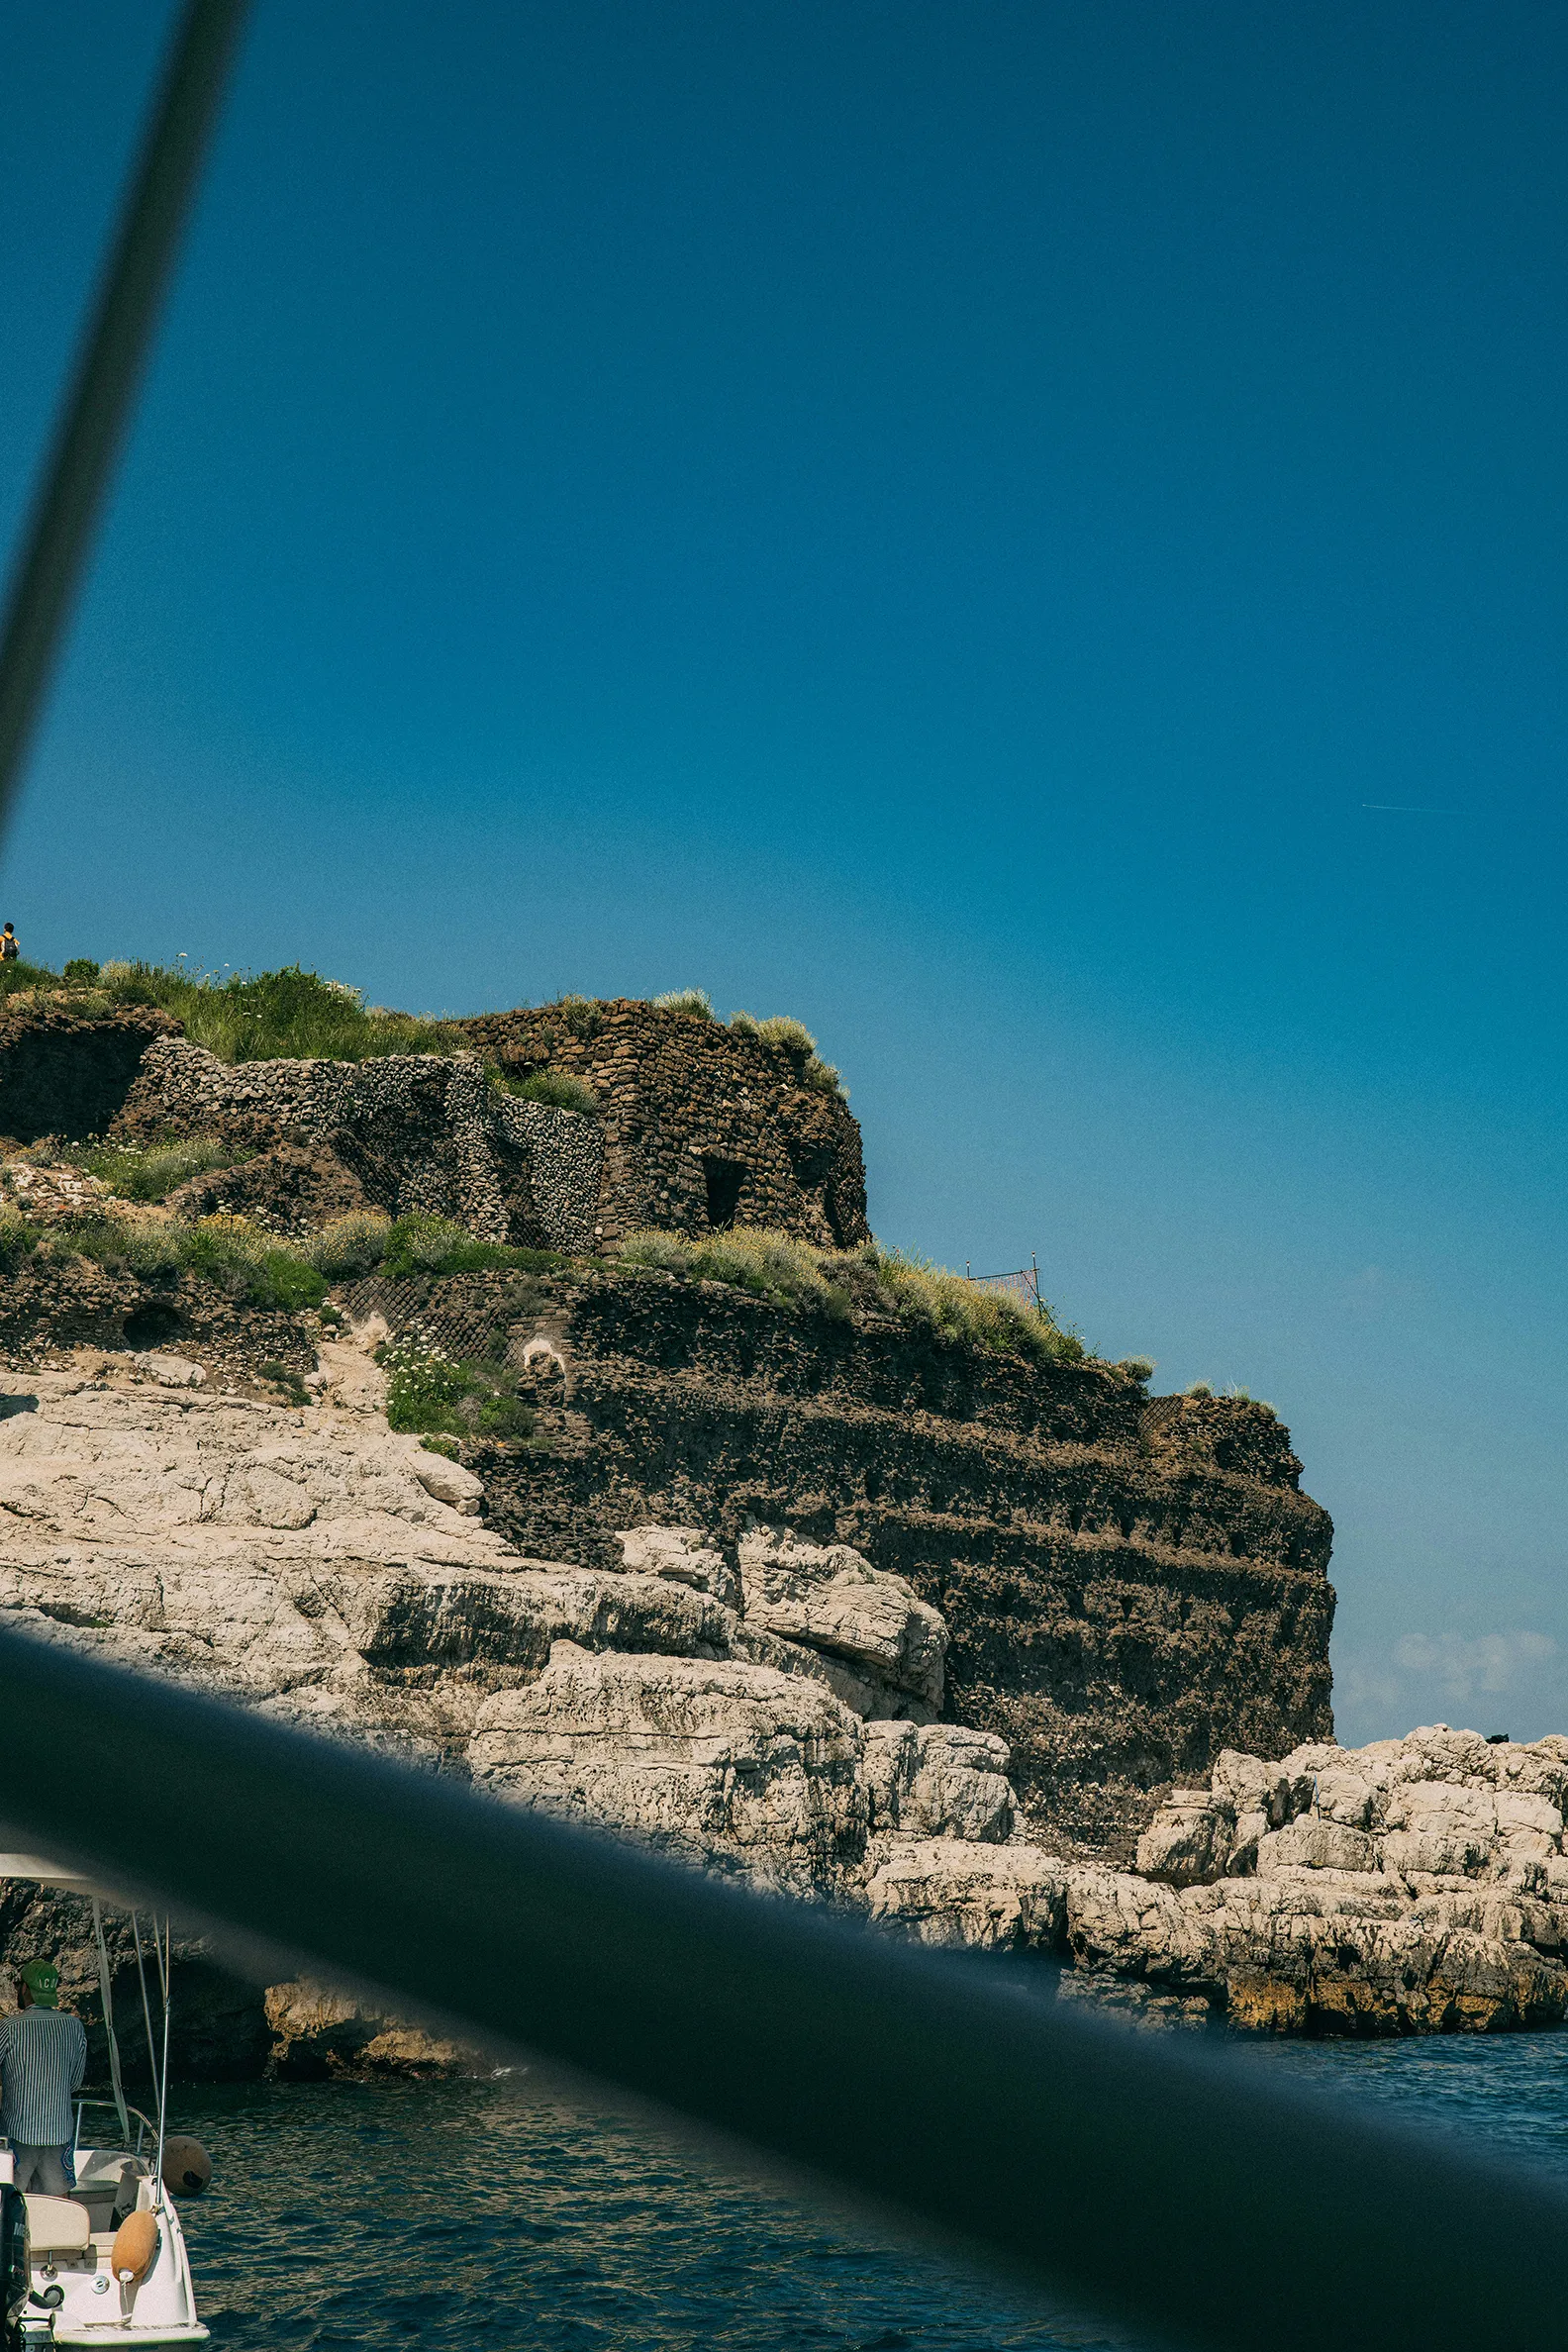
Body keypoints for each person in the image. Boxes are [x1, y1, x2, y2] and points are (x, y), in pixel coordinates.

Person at [0, 1959, 86, 2193]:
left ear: (25, 1988)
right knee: (59, 2203)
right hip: (59, 2133)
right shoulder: (74, 2026)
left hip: (19, 2133)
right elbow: (75, 2083)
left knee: (11, 2200)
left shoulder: (9, 2027)